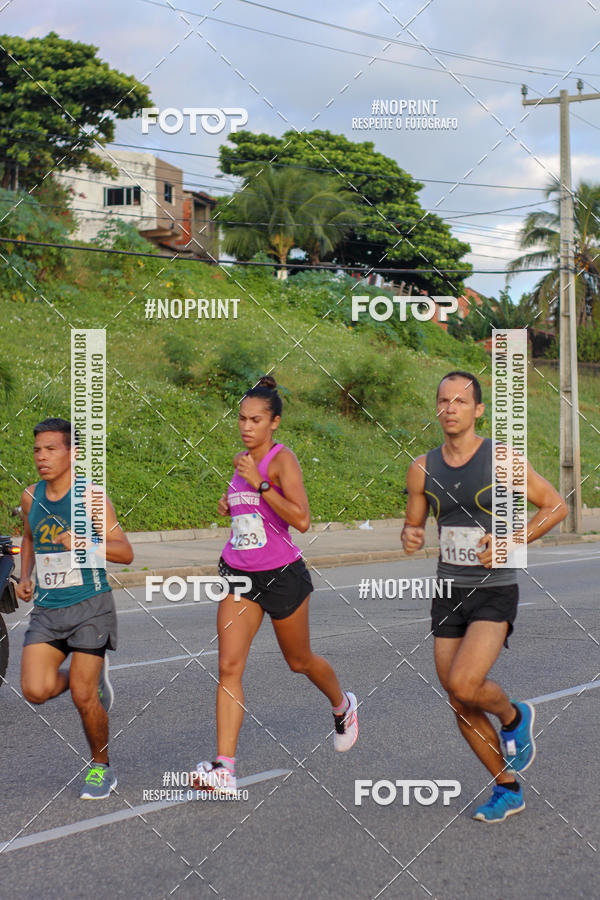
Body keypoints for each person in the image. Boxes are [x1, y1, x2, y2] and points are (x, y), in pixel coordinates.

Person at [402, 371, 567, 823]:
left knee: (464, 683)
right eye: (443, 400)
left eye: (460, 401)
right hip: (447, 591)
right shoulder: (422, 467)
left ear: (478, 410)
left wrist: (513, 541)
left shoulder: (502, 459)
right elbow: (415, 519)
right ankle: (507, 787)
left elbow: (555, 505)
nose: (450, 408)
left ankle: (514, 717)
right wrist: (411, 533)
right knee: (458, 700)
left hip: (494, 590)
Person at [193, 376, 357, 793]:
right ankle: (224, 768)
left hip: (282, 575)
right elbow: (253, 516)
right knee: (228, 666)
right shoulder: (241, 461)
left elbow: (300, 519)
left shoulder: (281, 461)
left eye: (255, 420)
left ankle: (343, 705)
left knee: (299, 661)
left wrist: (260, 484)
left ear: (274, 423)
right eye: (242, 419)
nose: (246, 427)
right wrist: (233, 502)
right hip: (240, 574)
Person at [17, 417, 133, 799]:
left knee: (84, 696)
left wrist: (83, 543)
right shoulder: (31, 497)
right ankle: (91, 678)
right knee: (35, 689)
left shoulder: (91, 498)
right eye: (37, 449)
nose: (42, 457)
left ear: (73, 453)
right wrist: (26, 575)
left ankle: (102, 768)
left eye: (51, 449)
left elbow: (125, 553)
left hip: (90, 607)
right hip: (48, 611)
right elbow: (30, 538)